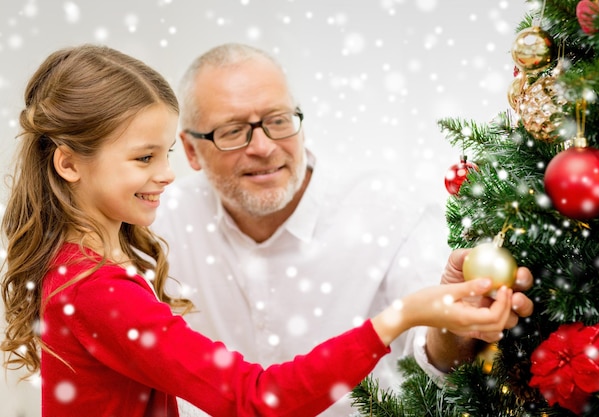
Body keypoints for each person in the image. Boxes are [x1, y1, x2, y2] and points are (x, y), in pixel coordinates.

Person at [0, 43, 522, 417]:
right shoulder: (98, 287)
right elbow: (255, 400)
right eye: (143, 157)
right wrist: (397, 318)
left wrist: (444, 319)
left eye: (277, 120)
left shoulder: (86, 271)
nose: (165, 174)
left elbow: (437, 370)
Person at [151, 43, 534, 416]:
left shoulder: (391, 209)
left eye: (278, 121)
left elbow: (434, 357)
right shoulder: (159, 224)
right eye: (233, 131)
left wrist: (457, 325)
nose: (264, 147)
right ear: (189, 151)